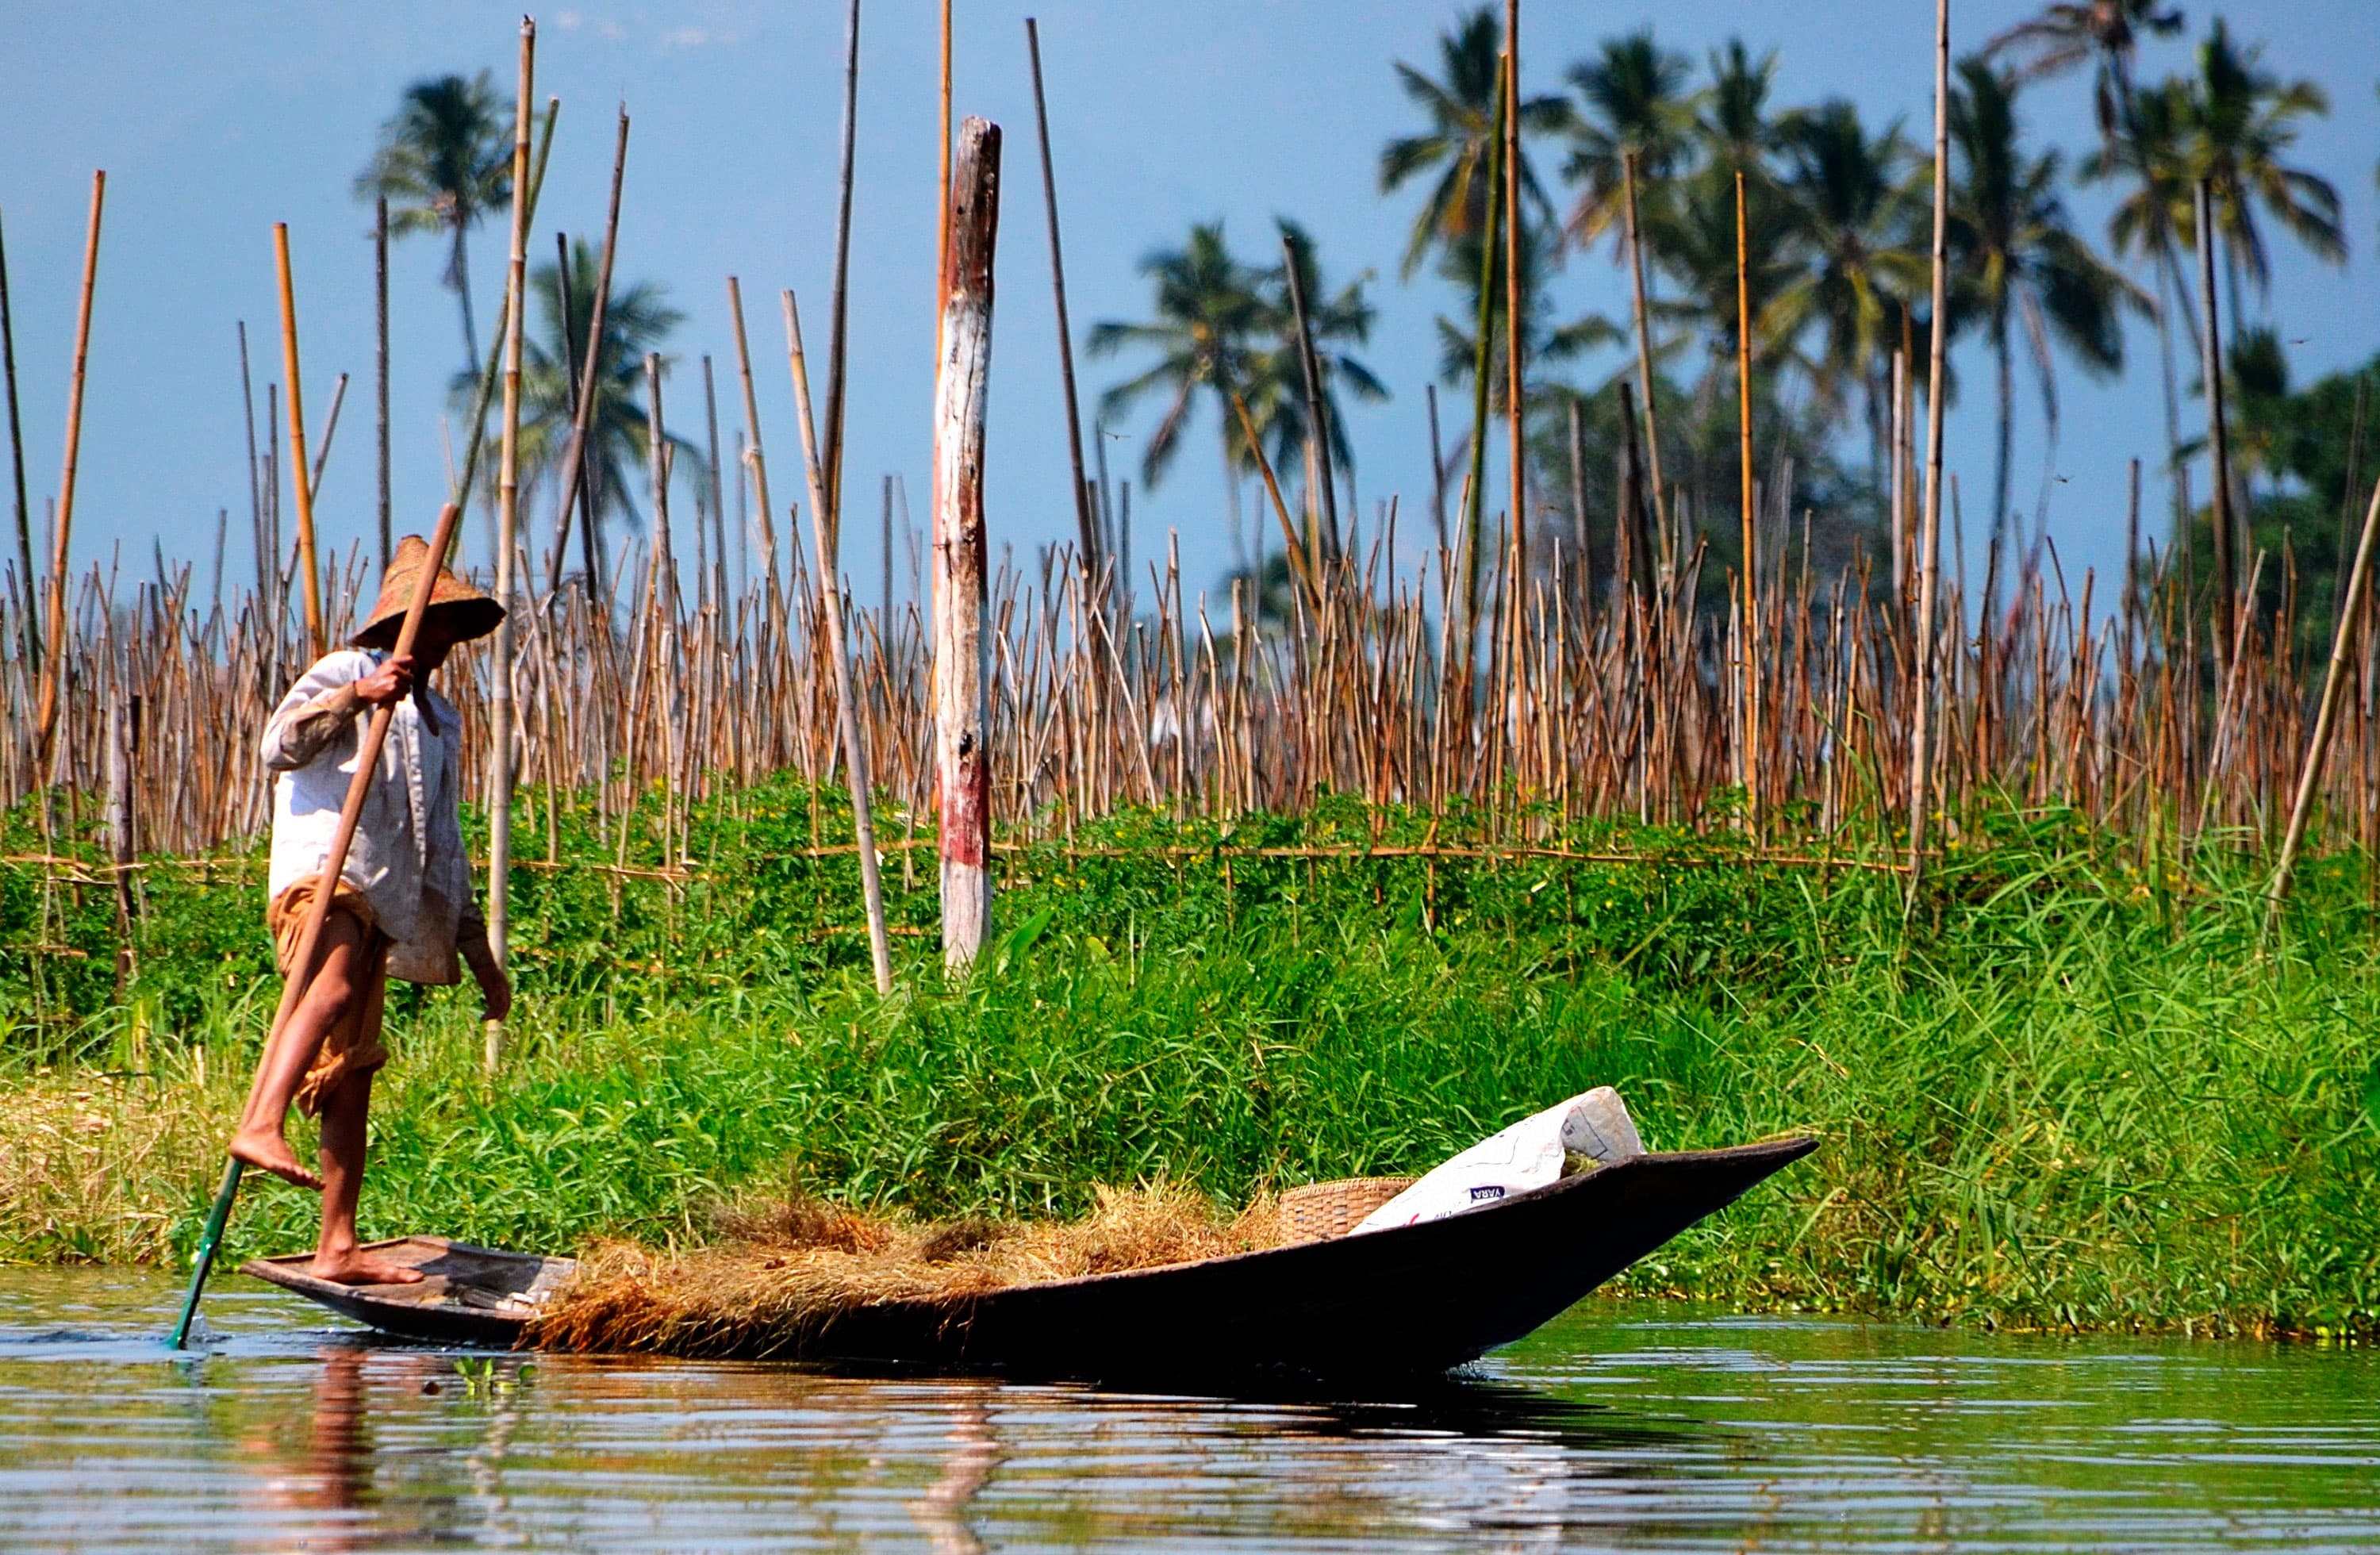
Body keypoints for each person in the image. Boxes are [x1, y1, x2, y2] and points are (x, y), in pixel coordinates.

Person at [225, 535, 511, 1285]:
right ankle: (260, 1122)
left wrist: (482, 960)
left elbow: (443, 846)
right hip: (322, 875)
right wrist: (361, 696)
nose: (448, 639)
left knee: (353, 1073)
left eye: (454, 625)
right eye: (440, 623)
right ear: (403, 625)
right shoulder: (343, 671)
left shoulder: (439, 720)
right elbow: (277, 746)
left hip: (379, 897)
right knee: (336, 988)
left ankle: (338, 1246)